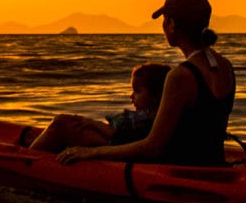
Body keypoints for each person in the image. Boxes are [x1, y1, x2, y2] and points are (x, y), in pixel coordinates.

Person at [53, 0, 236, 167]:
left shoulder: (181, 76)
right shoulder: (225, 66)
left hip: (178, 166)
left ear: (172, 25)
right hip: (211, 161)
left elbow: (153, 147)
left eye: (165, 19)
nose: (163, 25)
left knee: (62, 124)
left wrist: (91, 153)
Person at [26, 63, 171, 152]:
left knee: (61, 123)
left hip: (115, 148)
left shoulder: (152, 118)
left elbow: (120, 137)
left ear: (156, 95)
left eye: (137, 91)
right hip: (114, 142)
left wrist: (95, 124)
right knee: (67, 123)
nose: (131, 97)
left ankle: (28, 158)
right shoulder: (149, 115)